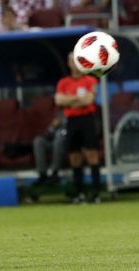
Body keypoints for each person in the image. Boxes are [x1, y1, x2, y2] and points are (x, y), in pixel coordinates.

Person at [55, 52, 101, 204]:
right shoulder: (63, 83)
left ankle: (96, 193)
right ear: (69, 63)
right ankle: (78, 192)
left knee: (91, 154)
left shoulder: (90, 80)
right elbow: (59, 100)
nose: (75, 63)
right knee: (74, 156)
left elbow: (89, 100)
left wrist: (70, 100)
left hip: (87, 120)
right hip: (72, 120)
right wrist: (77, 99)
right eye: (72, 61)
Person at [32, 113, 66, 185]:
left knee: (59, 141)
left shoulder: (75, 115)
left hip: (67, 143)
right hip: (54, 141)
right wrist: (53, 126)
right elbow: (49, 134)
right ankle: (42, 174)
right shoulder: (60, 115)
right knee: (38, 141)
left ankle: (54, 173)